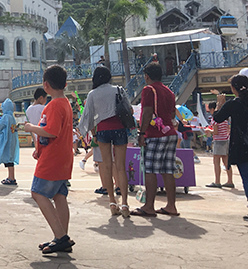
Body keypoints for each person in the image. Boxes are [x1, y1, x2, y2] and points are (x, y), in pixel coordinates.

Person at [23, 65, 74, 255]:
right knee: (59, 195)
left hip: (53, 158)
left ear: (46, 85)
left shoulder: (53, 105)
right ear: (65, 84)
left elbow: (51, 131)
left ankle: (61, 237)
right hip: (63, 157)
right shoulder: (65, 103)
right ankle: (62, 236)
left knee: (38, 193)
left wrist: (31, 128)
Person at [77, 66, 130, 217]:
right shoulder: (118, 89)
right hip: (119, 128)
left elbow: (88, 116)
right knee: (120, 167)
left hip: (103, 131)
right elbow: (129, 110)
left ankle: (112, 203)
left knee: (106, 166)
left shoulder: (93, 94)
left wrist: (83, 131)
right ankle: (125, 204)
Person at [132, 62, 179, 218]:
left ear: (147, 76)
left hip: (155, 134)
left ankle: (149, 206)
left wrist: (141, 133)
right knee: (168, 170)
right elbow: (172, 115)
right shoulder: (169, 91)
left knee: (150, 169)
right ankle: (171, 205)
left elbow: (147, 112)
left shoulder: (148, 90)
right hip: (170, 133)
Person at [212, 74, 248, 221]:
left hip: (241, 145)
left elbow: (217, 118)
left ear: (234, 88)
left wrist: (220, 104)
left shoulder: (233, 103)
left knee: (246, 177)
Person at [205, 100, 234, 188]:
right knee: (226, 162)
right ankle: (230, 181)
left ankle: (217, 181)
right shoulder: (225, 118)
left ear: (213, 109)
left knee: (216, 162)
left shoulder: (215, 118)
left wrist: (209, 130)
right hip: (226, 140)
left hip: (218, 141)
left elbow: (216, 132)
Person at [0, 98, 20, 185]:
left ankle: (11, 178)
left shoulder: (5, 117)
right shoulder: (12, 117)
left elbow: (0, 126)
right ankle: (10, 177)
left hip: (6, 142)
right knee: (10, 160)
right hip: (12, 142)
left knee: (9, 161)